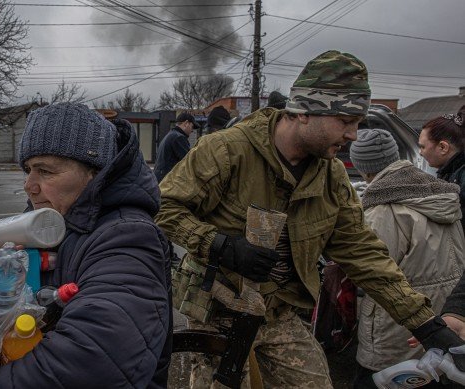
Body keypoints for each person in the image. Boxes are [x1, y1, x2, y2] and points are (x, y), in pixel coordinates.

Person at [155, 50, 465, 388]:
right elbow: (163, 209)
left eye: (357, 124)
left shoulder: (330, 176)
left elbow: (364, 254)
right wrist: (219, 245)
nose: (353, 135)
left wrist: (427, 326)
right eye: (346, 122)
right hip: (215, 315)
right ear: (305, 112)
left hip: (280, 316)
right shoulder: (227, 150)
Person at [0, 103, 172, 387]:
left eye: (45, 171)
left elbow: (94, 362)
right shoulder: (54, 222)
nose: (29, 184)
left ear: (94, 173)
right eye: (29, 169)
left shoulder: (128, 237)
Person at [349, 128, 465, 388]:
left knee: (381, 381)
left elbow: (371, 269)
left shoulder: (382, 210)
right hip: (447, 317)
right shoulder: (441, 194)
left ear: (363, 167)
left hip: (399, 324)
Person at [418, 106, 465, 230]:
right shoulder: (451, 171)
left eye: (423, 147)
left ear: (443, 147)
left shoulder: (461, 177)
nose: (420, 152)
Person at [153, 112, 200, 182]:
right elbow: (189, 162)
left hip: (161, 180)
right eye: (192, 126)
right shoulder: (179, 138)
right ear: (186, 123)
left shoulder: (171, 135)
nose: (192, 130)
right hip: (168, 182)